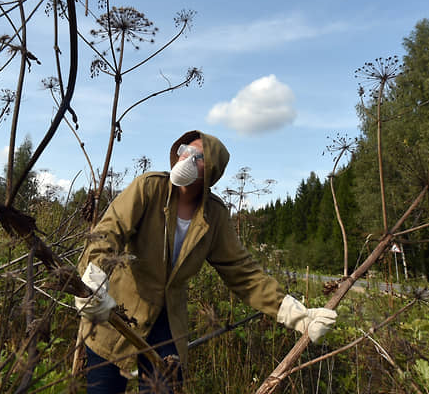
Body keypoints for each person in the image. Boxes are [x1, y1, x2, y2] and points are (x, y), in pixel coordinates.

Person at [75, 130, 338, 393]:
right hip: (116, 309)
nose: (187, 157)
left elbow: (243, 273)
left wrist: (296, 314)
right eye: (185, 151)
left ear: (212, 170)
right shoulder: (149, 188)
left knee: (164, 386)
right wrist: (94, 279)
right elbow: (108, 232)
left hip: (167, 321)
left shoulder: (214, 216)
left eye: (198, 156)